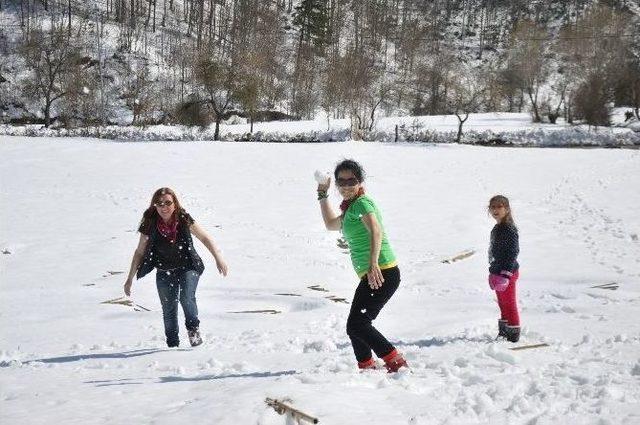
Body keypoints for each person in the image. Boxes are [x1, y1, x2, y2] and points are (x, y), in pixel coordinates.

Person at [317, 159, 407, 372]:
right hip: (374, 273)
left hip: (382, 271)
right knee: (355, 326)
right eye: (342, 182)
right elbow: (331, 224)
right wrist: (322, 194)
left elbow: (376, 230)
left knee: (358, 324)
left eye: (352, 181)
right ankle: (366, 367)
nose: (346, 186)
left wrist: (373, 263)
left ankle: (396, 362)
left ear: (360, 181)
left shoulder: (362, 203)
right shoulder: (351, 209)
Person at [123, 188, 228, 347]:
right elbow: (139, 252)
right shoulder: (150, 222)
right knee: (169, 309)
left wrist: (218, 258)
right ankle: (172, 346)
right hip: (164, 271)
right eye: (159, 203)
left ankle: (193, 332)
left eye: (168, 203)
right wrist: (129, 278)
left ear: (175, 204)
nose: (163, 207)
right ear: (154, 205)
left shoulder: (183, 218)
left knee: (186, 297)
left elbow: (205, 237)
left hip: (188, 266)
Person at [487, 195, 521, 342]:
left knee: (510, 303)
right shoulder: (497, 228)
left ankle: (513, 335)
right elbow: (493, 252)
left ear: (506, 209)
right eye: (493, 207)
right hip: (497, 271)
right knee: (502, 303)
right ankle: (504, 332)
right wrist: (492, 271)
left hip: (507, 273)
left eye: (499, 206)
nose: (495, 210)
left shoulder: (509, 229)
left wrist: (506, 274)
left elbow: (513, 252)